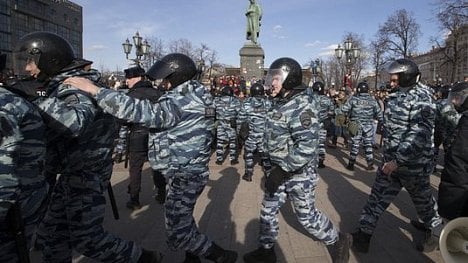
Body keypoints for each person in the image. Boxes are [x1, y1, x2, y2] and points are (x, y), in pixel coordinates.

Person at [64, 53, 238, 263]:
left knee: (177, 232)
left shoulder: (179, 101)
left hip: (184, 174)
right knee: (182, 220)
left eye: (166, 78)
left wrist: (97, 91)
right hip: (189, 170)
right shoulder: (197, 95)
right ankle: (193, 259)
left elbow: (142, 112)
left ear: (175, 76)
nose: (162, 82)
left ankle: (221, 255)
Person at [13, 31, 161, 262]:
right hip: (72, 173)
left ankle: (142, 258)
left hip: (85, 174)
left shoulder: (74, 87)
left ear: (49, 59)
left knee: (87, 239)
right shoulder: (60, 85)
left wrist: (36, 97)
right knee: (53, 235)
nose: (28, 68)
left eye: (31, 61)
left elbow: (75, 122)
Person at [243, 57, 351, 263]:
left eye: (276, 78)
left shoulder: (302, 106)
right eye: (271, 78)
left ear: (289, 79)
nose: (271, 83)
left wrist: (281, 171)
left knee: (306, 217)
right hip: (278, 169)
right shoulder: (280, 101)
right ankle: (266, 251)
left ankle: (338, 240)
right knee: (268, 209)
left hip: (298, 174)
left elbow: (307, 147)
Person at [352, 58, 442, 254]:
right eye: (391, 80)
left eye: (395, 80)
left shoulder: (422, 97)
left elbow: (419, 134)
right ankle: (363, 234)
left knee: (423, 201)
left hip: (412, 166)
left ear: (407, 77)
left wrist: (398, 160)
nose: (390, 84)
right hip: (390, 161)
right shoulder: (397, 94)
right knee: (376, 197)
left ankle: (436, 232)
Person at [0, 54, 48, 263]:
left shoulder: (6, 104)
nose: (27, 69)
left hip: (13, 209)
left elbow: (4, 180)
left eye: (31, 63)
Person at [119, 66, 166, 209]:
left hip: (137, 136)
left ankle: (134, 200)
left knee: (135, 169)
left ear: (138, 77)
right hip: (156, 134)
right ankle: (161, 194)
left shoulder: (130, 95)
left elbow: (122, 119)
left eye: (129, 78)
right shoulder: (157, 93)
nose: (127, 81)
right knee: (157, 166)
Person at [437, 82, 468, 221]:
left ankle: (439, 238)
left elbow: (458, 161)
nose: (454, 102)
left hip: (457, 184)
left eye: (458, 98)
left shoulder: (465, 120)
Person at [341, 82, 382, 171]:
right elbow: (379, 114)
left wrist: (349, 115)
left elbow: (344, 109)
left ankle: (351, 164)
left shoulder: (353, 99)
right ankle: (370, 164)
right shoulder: (373, 101)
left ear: (359, 89)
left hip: (355, 125)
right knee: (368, 144)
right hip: (368, 126)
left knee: (355, 144)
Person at [237, 82, 271, 182]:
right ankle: (269, 175)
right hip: (264, 135)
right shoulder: (268, 103)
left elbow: (240, 120)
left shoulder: (246, 104)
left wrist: (240, 134)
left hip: (250, 135)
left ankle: (248, 174)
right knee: (265, 156)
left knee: (248, 154)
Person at [214, 86, 241, 165]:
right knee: (232, 141)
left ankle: (219, 159)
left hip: (220, 123)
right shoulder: (235, 101)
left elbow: (211, 110)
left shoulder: (217, 100)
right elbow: (239, 112)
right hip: (231, 123)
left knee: (220, 141)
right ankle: (233, 159)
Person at [310, 81, 335, 168]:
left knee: (309, 143)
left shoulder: (308, 99)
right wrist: (325, 115)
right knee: (321, 143)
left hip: (309, 124)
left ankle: (310, 162)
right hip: (322, 124)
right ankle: (320, 161)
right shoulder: (327, 100)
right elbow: (332, 112)